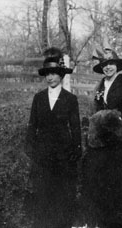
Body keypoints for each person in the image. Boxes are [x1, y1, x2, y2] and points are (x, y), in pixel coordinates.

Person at [80, 41, 122, 228]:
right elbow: (96, 111)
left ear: (117, 65)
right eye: (104, 65)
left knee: (118, 185)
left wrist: (121, 120)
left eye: (111, 64)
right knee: (99, 182)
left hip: (121, 140)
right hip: (101, 141)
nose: (107, 67)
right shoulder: (100, 86)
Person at [25, 47, 81, 228]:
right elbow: (32, 125)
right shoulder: (39, 98)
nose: (50, 77)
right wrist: (31, 148)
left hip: (63, 156)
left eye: (54, 73)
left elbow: (75, 128)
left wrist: (76, 149)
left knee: (62, 196)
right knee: (43, 196)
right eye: (47, 74)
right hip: (42, 155)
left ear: (61, 75)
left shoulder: (70, 99)